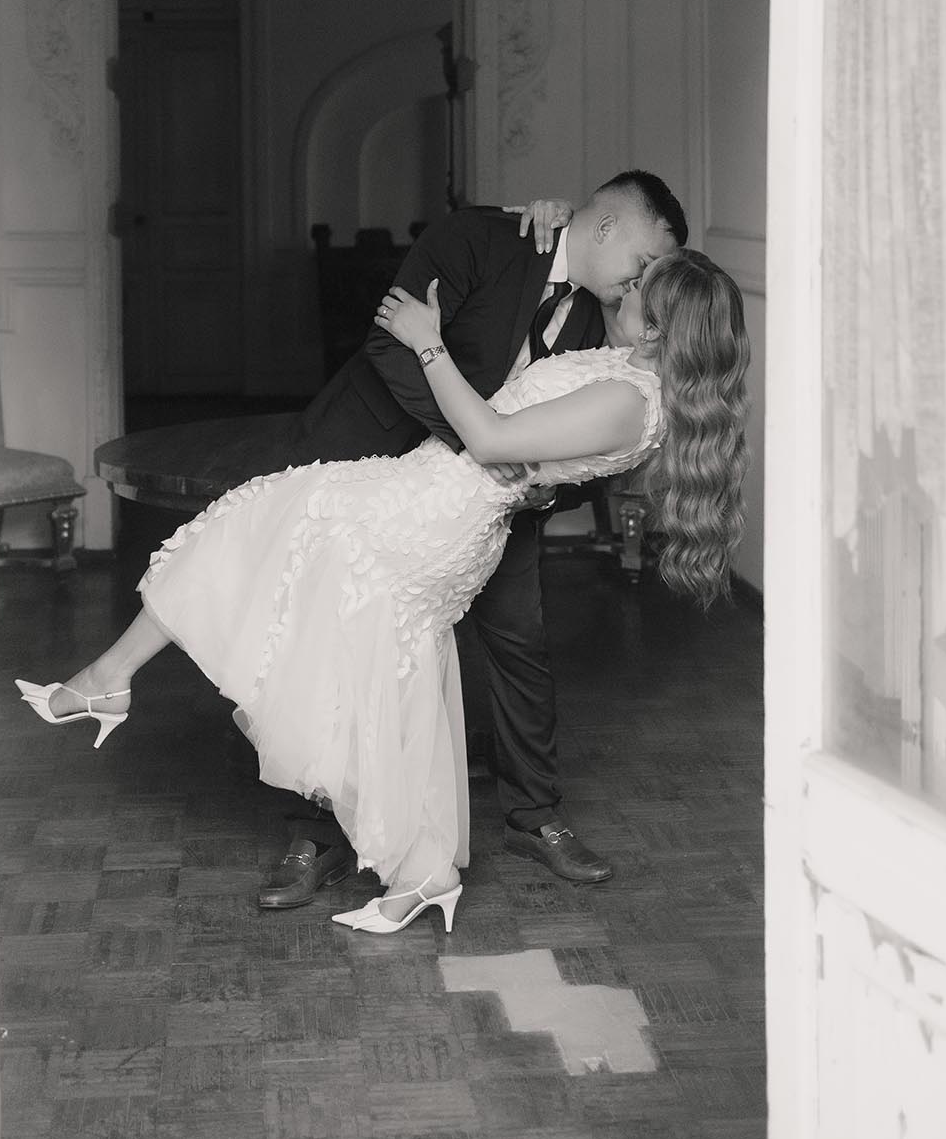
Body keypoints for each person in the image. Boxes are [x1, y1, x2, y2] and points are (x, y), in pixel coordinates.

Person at [17, 246, 750, 935]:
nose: (624, 288)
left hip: (433, 513)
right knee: (371, 672)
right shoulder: (628, 370)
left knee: (263, 544)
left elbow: (494, 440)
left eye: (638, 290)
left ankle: (108, 682)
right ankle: (422, 871)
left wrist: (427, 342)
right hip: (431, 493)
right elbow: (534, 444)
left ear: (657, 331)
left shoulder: (630, 400)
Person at [249, 170, 688, 907]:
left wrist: (544, 484)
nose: (641, 284)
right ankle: (314, 833)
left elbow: (595, 441)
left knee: (521, 642)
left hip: (496, 505)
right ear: (607, 226)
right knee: (338, 642)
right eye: (643, 264)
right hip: (380, 458)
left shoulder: (610, 323)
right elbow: (392, 343)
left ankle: (536, 816)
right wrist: (476, 450)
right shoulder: (482, 238)